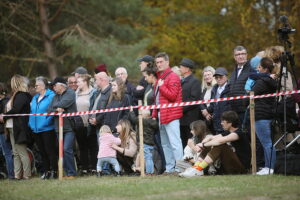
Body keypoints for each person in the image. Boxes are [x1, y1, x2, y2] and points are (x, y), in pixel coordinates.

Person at [179, 111, 251, 177]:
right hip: (229, 165)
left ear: (230, 123)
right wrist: (202, 143)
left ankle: (198, 169)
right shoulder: (228, 132)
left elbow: (220, 141)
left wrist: (202, 145)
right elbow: (212, 138)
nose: (221, 123)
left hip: (240, 168)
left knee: (220, 144)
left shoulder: (238, 133)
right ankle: (196, 168)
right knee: (210, 143)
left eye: (223, 121)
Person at [152, 52, 183, 173]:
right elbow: (157, 99)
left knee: (175, 143)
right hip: (161, 115)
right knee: (165, 144)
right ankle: (170, 168)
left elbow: (173, 96)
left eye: (161, 62)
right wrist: (155, 114)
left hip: (171, 115)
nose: (159, 65)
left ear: (167, 62)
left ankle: (180, 167)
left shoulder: (173, 76)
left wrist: (162, 86)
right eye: (157, 62)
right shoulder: (160, 78)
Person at [0, 75, 32, 180]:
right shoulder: (15, 95)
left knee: (22, 152)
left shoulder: (22, 95)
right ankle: (17, 175)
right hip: (10, 127)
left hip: (19, 128)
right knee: (15, 152)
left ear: (15, 83)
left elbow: (16, 109)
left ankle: (27, 175)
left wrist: (4, 116)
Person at [251, 57, 277, 175]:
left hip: (261, 114)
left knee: (266, 143)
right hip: (268, 113)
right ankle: (268, 166)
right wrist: (266, 76)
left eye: (260, 67)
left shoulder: (262, 82)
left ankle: (270, 167)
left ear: (265, 69)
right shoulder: (268, 80)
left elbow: (252, 92)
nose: (258, 69)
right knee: (267, 142)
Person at [48, 77, 77, 178]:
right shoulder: (55, 96)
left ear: (61, 85)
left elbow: (63, 103)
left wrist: (55, 108)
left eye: (55, 85)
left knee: (66, 149)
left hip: (70, 127)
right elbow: (49, 109)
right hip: (58, 127)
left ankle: (72, 173)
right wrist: (57, 109)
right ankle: (65, 172)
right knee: (61, 150)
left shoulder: (70, 93)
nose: (53, 87)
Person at [28, 76, 57, 179]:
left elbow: (53, 111)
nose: (35, 86)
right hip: (35, 129)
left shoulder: (51, 96)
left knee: (50, 151)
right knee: (42, 152)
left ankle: (54, 171)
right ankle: (46, 171)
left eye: (37, 85)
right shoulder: (35, 97)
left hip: (47, 128)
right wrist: (31, 124)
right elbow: (32, 112)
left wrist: (46, 121)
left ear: (43, 86)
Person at [75, 74, 98, 175]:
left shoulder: (93, 92)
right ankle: (84, 168)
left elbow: (95, 106)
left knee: (92, 146)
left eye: (79, 81)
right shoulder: (76, 93)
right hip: (79, 124)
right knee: (82, 147)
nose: (77, 83)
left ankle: (93, 167)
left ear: (85, 82)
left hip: (90, 123)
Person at [179, 58, 202, 149]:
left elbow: (194, 99)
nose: (180, 69)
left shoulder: (195, 81)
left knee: (191, 143)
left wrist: (181, 108)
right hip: (181, 119)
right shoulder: (182, 81)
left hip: (190, 119)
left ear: (187, 69)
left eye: (181, 67)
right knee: (183, 142)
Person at [128, 108, 158, 175]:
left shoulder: (143, 121)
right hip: (150, 143)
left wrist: (131, 112)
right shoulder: (152, 122)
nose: (139, 117)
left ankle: (149, 172)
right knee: (148, 157)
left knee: (148, 158)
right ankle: (150, 171)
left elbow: (133, 119)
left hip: (145, 142)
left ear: (143, 116)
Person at [229, 45, 252, 123]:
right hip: (234, 111)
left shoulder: (252, 69)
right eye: (238, 54)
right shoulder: (233, 72)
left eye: (243, 54)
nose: (240, 56)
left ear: (246, 55)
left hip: (246, 109)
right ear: (234, 57)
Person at [88, 72, 112, 138]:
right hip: (96, 125)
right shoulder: (98, 92)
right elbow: (93, 106)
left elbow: (108, 109)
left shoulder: (111, 92)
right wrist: (90, 118)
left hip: (105, 126)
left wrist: (97, 120)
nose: (95, 81)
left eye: (96, 79)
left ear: (101, 80)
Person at [208, 67, 231, 134]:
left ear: (226, 76)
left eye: (220, 77)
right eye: (216, 77)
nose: (218, 79)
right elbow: (212, 105)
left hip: (228, 122)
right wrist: (206, 111)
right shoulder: (214, 89)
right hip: (217, 122)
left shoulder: (231, 88)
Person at [0, 83, 14, 179]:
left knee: (7, 153)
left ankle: (11, 175)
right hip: (3, 130)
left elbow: (2, 118)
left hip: (3, 130)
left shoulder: (5, 101)